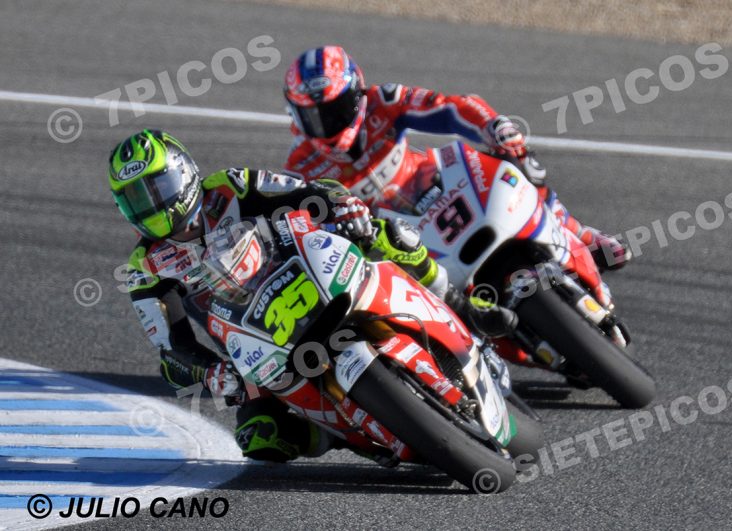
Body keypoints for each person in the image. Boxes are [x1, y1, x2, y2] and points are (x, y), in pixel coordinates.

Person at [109, 129, 516, 463]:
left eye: (157, 188)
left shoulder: (230, 186)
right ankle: (341, 435)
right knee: (259, 438)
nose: (154, 205)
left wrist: (343, 208)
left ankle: (465, 308)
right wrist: (211, 372)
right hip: (254, 345)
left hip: (308, 272)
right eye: (137, 199)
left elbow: (303, 191)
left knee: (388, 235)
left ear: (183, 173)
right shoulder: (145, 270)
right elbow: (172, 350)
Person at [283, 46, 631, 277]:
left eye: (334, 109)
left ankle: (581, 235)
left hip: (438, 185)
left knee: (513, 168)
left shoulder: (382, 101)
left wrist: (496, 127)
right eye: (313, 115)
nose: (327, 123)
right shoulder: (301, 167)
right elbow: (310, 232)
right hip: (396, 237)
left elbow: (451, 107)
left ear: (356, 92)